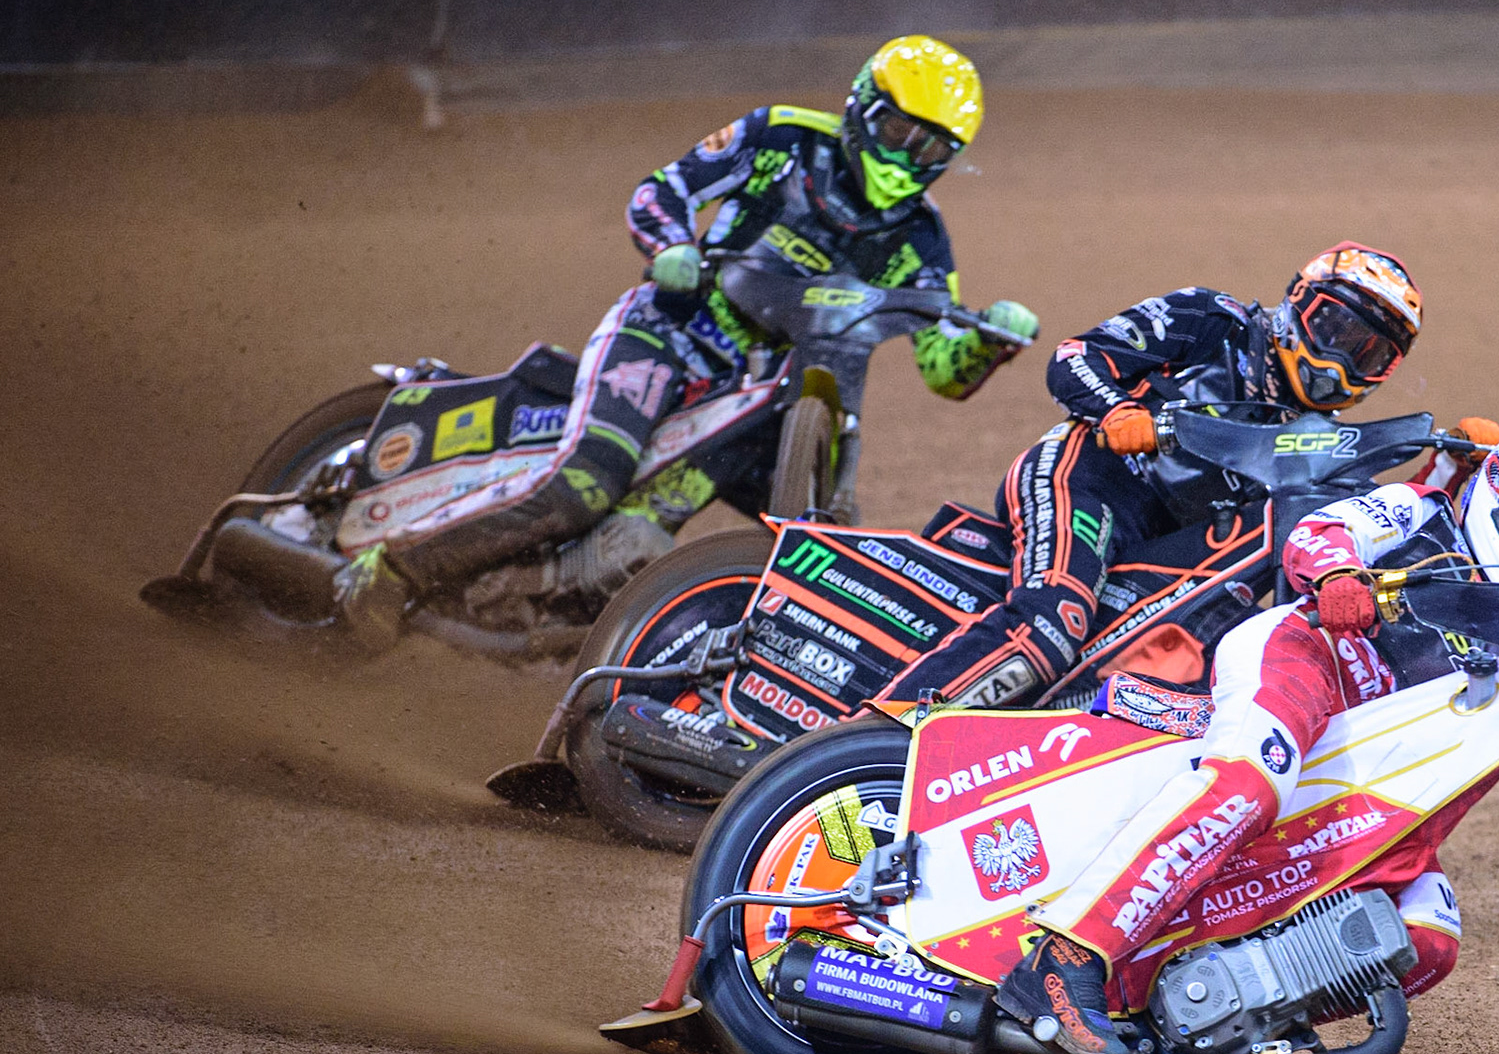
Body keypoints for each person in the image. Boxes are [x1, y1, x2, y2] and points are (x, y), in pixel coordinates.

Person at [995, 422, 1499, 1054]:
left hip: (1375, 780)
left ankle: (1214, 1022)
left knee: (1429, 936)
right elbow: (1320, 531)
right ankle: (1064, 960)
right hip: (1306, 661)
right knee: (1252, 780)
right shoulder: (1422, 511)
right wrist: (1336, 574)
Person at [332, 35, 1039, 649]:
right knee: (588, 483)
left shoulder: (922, 235)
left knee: (787, 549)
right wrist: (670, 244)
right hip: (666, 334)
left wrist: (992, 339)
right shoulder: (783, 138)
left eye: (933, 146)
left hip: (762, 397)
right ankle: (394, 568)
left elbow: (943, 363)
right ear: (861, 105)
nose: (908, 155)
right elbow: (660, 191)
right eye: (898, 130)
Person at [877, 242, 1499, 709]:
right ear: (1296, 302)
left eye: (1367, 352)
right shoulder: (1211, 320)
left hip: (1172, 549)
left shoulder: (1326, 445)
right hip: (1091, 480)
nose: (1340, 356)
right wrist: (1117, 410)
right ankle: (872, 745)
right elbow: (1075, 357)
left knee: (1175, 682)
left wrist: (1450, 468)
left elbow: (1369, 525)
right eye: (1332, 328)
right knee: (1050, 627)